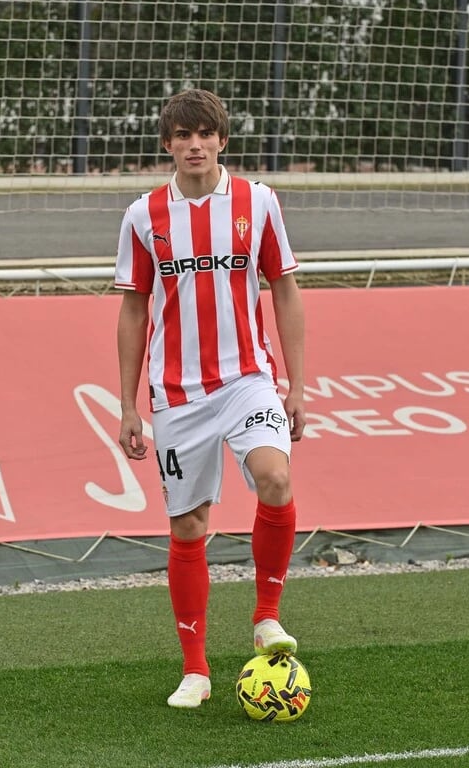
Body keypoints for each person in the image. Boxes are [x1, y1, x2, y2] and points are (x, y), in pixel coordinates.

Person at [114, 88, 307, 709]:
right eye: (182, 135)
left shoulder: (259, 202)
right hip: (176, 395)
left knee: (275, 477)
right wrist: (127, 404)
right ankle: (195, 669)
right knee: (188, 525)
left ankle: (266, 616)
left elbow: (285, 289)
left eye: (205, 134)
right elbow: (134, 307)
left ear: (222, 141)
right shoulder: (144, 216)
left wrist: (297, 385)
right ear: (167, 144)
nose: (194, 144)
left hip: (248, 378)